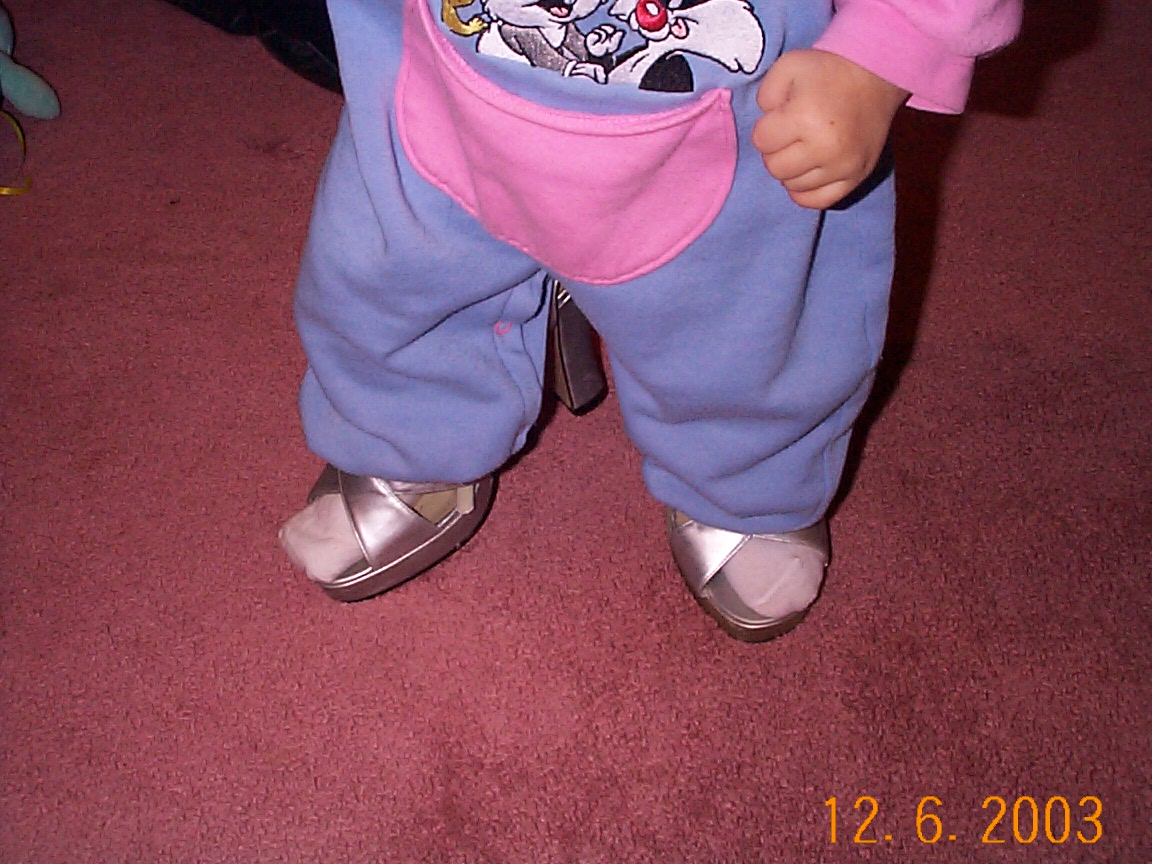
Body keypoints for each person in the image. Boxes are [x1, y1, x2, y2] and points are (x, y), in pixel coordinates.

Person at [278, 0, 1022, 641]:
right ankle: (407, 420)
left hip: (727, 103)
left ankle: (745, 477)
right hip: (443, 71)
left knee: (749, 310)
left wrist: (891, 42)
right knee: (395, 260)